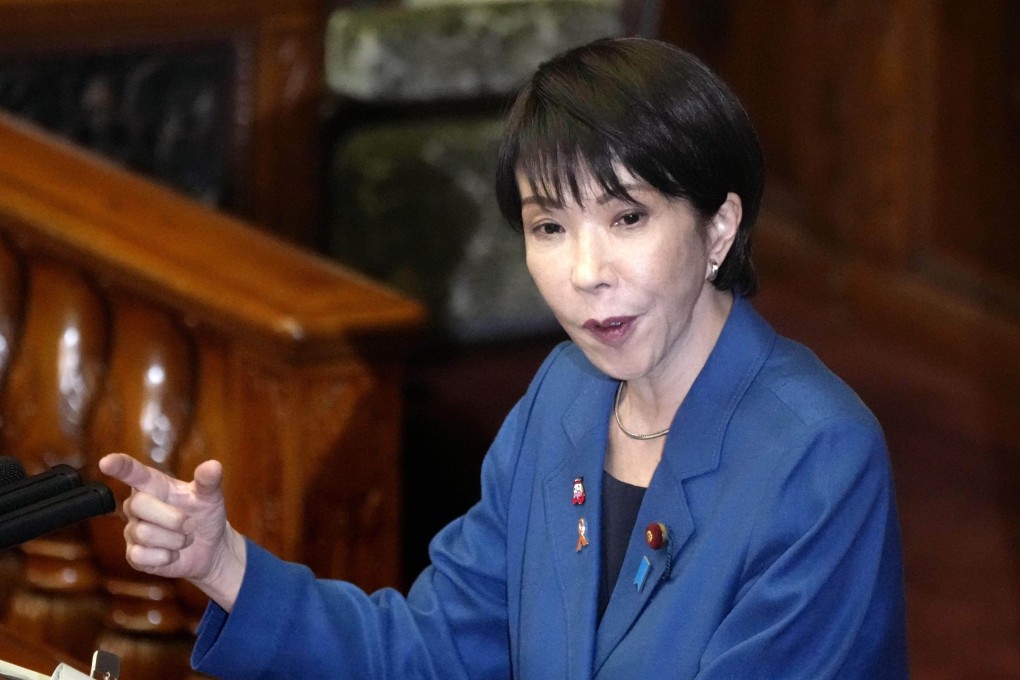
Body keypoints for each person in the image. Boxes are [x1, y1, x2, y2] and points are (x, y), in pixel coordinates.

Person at [99, 36, 908, 679]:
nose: (587, 272)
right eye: (549, 227)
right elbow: (436, 651)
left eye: (627, 218)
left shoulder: (817, 454)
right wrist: (225, 562)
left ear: (719, 229)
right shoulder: (565, 397)